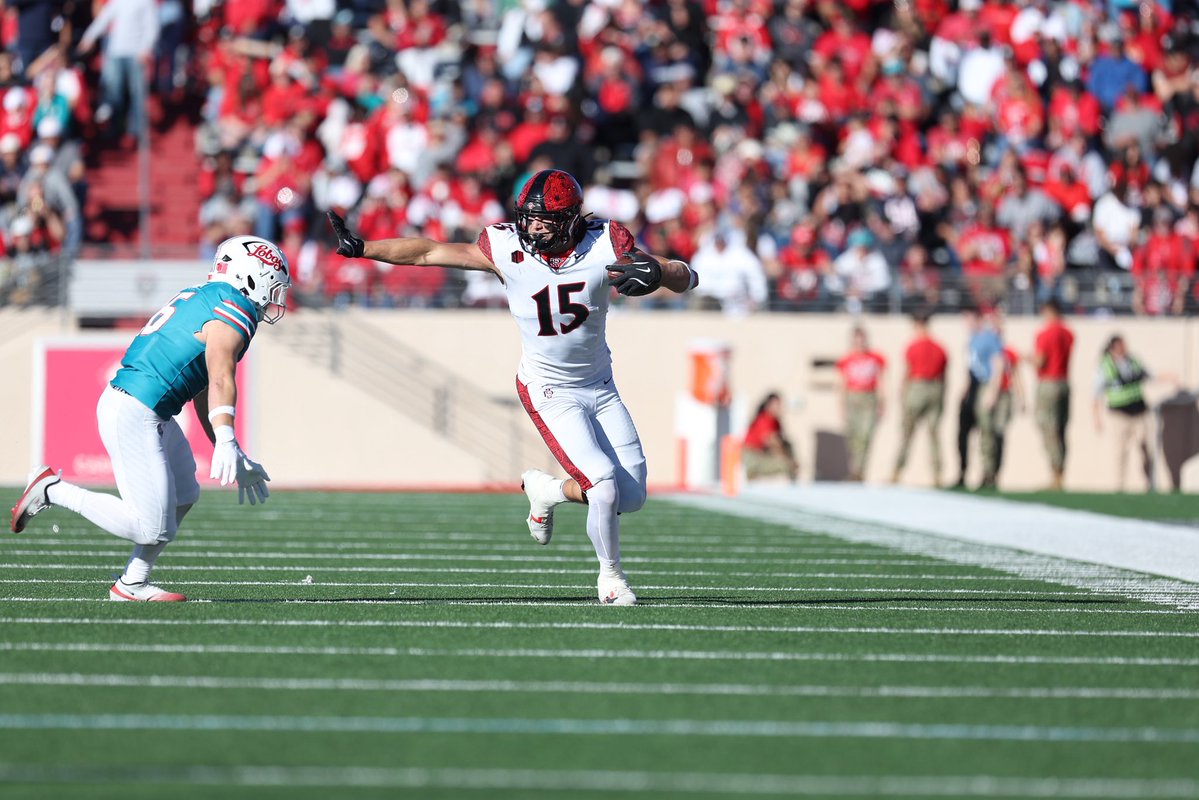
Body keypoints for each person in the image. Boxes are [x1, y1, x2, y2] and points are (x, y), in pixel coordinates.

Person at [327, 169, 697, 605]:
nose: (531, 226)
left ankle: (549, 490)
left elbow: (686, 278)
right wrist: (366, 248)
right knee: (603, 484)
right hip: (548, 390)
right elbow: (428, 253)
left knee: (630, 497)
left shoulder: (607, 241)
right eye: (528, 217)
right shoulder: (505, 246)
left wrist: (658, 270)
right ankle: (611, 578)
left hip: (600, 385)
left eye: (543, 219)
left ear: (570, 219)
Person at [9, 236, 291, 601]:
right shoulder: (233, 308)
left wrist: (227, 445)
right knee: (150, 528)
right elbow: (222, 376)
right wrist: (225, 439)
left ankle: (131, 583)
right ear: (252, 277)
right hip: (136, 409)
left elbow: (206, 386)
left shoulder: (206, 296)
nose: (274, 299)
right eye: (273, 286)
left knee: (185, 494)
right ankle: (51, 489)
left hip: (148, 409)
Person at [1093, 335, 1159, 492]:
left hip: (1139, 412)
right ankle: (1119, 487)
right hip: (1119, 414)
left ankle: (1150, 485)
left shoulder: (1133, 361)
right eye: (1121, 346)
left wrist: (1170, 377)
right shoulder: (1105, 366)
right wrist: (1096, 418)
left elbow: (1150, 376)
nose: (1124, 348)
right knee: (1120, 451)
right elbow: (1095, 394)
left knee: (1145, 449)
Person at [892, 311, 948, 486]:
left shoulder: (913, 347)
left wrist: (902, 392)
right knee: (934, 434)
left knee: (907, 432)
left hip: (917, 388)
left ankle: (897, 471)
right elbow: (944, 376)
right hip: (935, 389)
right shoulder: (940, 348)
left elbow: (908, 371)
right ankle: (937, 474)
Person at [953, 308, 1003, 489]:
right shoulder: (971, 340)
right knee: (962, 433)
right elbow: (970, 368)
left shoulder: (989, 337)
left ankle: (989, 474)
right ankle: (962, 472)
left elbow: (998, 364)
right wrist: (963, 391)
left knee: (986, 432)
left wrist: (992, 392)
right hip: (973, 389)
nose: (966, 323)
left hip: (985, 386)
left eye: (968, 319)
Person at [976, 317, 1023, 491]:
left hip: (1003, 395)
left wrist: (1021, 397)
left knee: (999, 433)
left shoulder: (1008, 352)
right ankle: (986, 471)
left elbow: (1015, 375)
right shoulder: (985, 349)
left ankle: (995, 473)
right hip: (989, 392)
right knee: (986, 433)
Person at [1031, 299, 1074, 489]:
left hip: (1048, 383)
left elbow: (1040, 361)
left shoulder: (1045, 334)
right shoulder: (1068, 333)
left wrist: (1024, 358)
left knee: (1048, 429)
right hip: (1064, 382)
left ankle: (1055, 473)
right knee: (1061, 429)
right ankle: (1060, 472)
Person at [836, 327, 885, 482]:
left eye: (862, 339)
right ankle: (854, 471)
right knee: (853, 438)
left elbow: (881, 382)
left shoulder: (875, 358)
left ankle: (860, 472)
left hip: (869, 399)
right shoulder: (846, 360)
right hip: (852, 398)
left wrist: (882, 403)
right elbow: (842, 385)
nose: (860, 343)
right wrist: (842, 406)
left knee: (865, 436)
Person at [742, 392, 799, 482]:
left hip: (762, 454)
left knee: (788, 446)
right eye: (777, 405)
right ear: (769, 406)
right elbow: (772, 442)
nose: (779, 408)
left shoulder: (775, 421)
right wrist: (786, 460)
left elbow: (781, 442)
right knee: (785, 465)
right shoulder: (765, 419)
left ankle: (793, 479)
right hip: (753, 457)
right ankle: (752, 473)